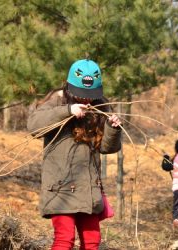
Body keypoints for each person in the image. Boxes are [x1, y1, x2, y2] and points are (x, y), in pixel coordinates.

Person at [27, 59, 122, 249]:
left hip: (89, 189)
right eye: (81, 94)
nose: (86, 99)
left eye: (90, 95)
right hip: (61, 188)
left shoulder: (101, 107)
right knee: (64, 239)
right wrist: (67, 111)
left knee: (92, 241)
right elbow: (34, 126)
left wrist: (112, 128)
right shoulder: (56, 100)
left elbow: (106, 148)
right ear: (70, 87)